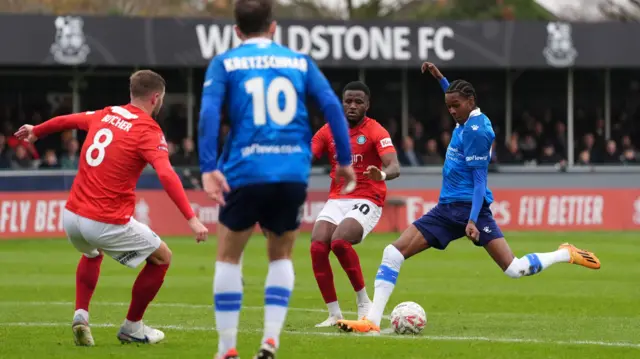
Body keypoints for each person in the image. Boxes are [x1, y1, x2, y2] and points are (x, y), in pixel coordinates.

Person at [335, 62, 601, 334]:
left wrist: (473, 220)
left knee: (514, 269)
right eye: (448, 106)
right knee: (392, 253)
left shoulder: (478, 132)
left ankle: (564, 253)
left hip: (470, 210)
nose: (451, 111)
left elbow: (479, 181)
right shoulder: (465, 118)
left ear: (470, 102)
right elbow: (453, 96)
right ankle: (372, 322)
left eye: (455, 106)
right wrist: (440, 78)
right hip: (445, 210)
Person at [197, 0, 355, 357]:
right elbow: (331, 105)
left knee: (228, 256)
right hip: (290, 172)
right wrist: (344, 160)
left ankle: (227, 348)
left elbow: (208, 113)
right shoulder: (298, 61)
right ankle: (271, 339)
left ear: (237, 31)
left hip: (245, 170)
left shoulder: (226, 63)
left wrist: (208, 166)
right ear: (273, 27)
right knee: (281, 255)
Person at [14, 70, 209, 345]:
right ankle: (133, 326)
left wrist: (37, 131)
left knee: (92, 253)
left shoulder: (106, 113)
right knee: (162, 257)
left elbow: (68, 120)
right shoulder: (148, 130)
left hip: (71, 216)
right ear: (156, 98)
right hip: (104, 220)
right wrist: (191, 217)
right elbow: (166, 174)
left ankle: (81, 315)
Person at [310, 81, 399, 327]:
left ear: (367, 105)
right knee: (318, 246)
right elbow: (308, 155)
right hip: (337, 198)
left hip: (368, 197)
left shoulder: (376, 131)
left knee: (339, 241)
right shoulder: (329, 131)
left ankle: (364, 302)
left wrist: (380, 174)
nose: (352, 106)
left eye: (358, 101)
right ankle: (334, 313)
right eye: (348, 101)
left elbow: (394, 166)